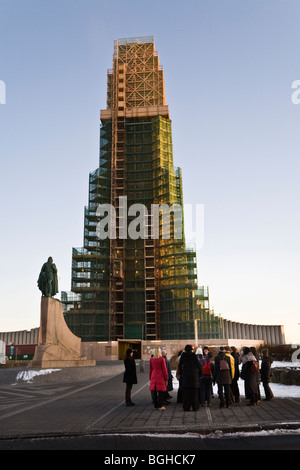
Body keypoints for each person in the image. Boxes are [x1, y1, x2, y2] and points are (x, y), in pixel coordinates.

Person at [178, 344, 202, 411]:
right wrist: (200, 374)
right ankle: (195, 407)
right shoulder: (194, 355)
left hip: (186, 377)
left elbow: (180, 366)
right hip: (194, 377)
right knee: (194, 394)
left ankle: (186, 407)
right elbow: (199, 366)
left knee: (186, 394)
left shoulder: (183, 356)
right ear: (191, 349)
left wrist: (181, 373)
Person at [149, 346, 169, 410]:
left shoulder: (151, 359)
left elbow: (150, 369)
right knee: (161, 392)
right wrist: (166, 378)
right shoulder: (162, 359)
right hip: (160, 376)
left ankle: (155, 405)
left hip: (153, 375)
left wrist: (150, 377)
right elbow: (164, 369)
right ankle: (160, 405)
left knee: (154, 391)